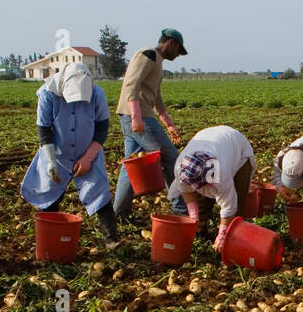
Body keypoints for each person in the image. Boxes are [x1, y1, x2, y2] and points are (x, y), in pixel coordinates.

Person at [20, 63, 118, 247]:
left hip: (89, 152)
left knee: (100, 193)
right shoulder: (47, 94)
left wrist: (88, 157)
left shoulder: (97, 95)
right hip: (56, 154)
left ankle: (111, 240)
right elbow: (44, 130)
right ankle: (51, 242)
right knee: (50, 197)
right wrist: (50, 161)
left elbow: (102, 130)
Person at [112, 28, 188, 219]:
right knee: (171, 157)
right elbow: (131, 83)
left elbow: (156, 95)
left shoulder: (158, 62)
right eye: (179, 51)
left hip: (139, 116)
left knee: (130, 164)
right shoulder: (148, 54)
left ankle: (119, 213)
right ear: (171, 43)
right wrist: (136, 116)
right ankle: (180, 210)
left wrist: (168, 123)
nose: (178, 56)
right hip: (139, 118)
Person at [165, 125, 255, 252]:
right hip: (210, 138)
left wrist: (222, 234)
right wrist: (193, 214)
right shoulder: (181, 166)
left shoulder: (221, 174)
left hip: (237, 147)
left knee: (238, 201)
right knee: (201, 201)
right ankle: (200, 232)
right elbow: (186, 190)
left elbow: (229, 206)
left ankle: (233, 240)